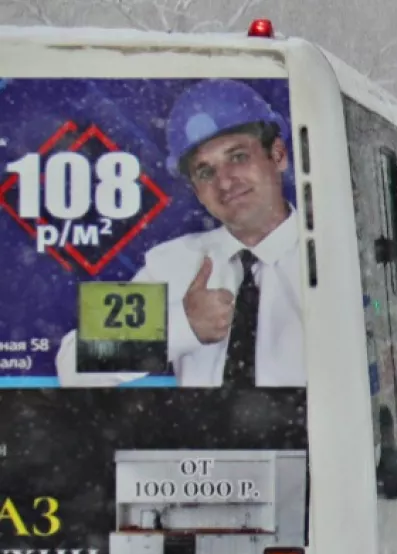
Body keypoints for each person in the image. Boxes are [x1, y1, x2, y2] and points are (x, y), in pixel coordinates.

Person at [57, 80, 304, 388]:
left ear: (278, 155)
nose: (225, 182)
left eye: (238, 156)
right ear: (197, 191)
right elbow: (72, 362)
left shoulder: (334, 258)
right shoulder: (173, 264)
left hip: (314, 437)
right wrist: (182, 325)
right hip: (198, 438)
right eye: (205, 172)